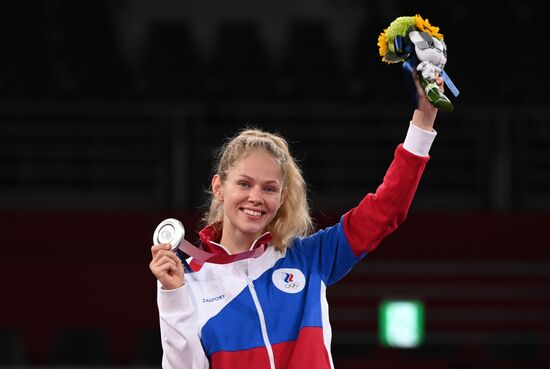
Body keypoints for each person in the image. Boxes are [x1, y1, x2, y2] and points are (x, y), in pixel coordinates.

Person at [149, 73, 443, 369]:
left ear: (282, 196)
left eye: (269, 188)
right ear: (218, 187)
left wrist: (425, 118)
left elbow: (385, 211)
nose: (255, 197)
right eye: (244, 184)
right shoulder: (191, 279)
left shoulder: (308, 258)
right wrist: (172, 295)